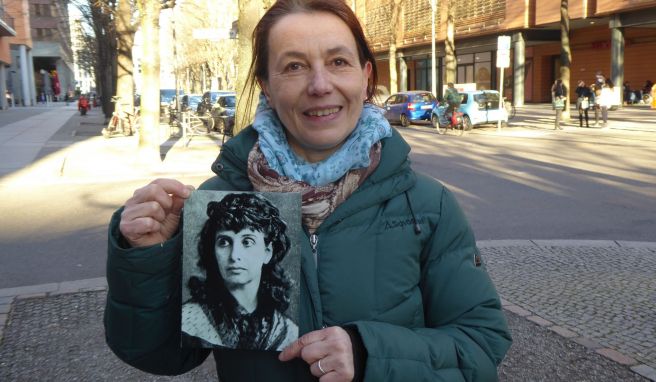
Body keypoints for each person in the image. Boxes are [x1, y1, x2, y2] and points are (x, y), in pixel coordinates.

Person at [104, 1, 511, 381]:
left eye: (338, 62)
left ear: (365, 76)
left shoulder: (426, 204)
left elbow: (481, 342)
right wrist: (146, 259)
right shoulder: (220, 206)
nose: (320, 85)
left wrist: (369, 353)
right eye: (295, 66)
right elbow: (157, 356)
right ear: (266, 84)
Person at [182, 193, 298, 351]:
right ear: (213, 251)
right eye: (224, 242)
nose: (234, 255)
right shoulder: (189, 321)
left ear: (267, 252)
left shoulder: (288, 332)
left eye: (247, 241)